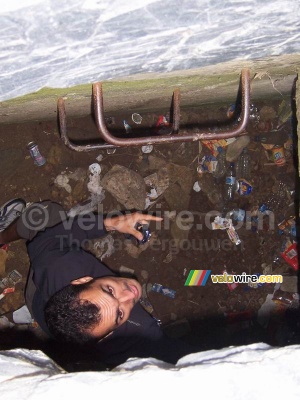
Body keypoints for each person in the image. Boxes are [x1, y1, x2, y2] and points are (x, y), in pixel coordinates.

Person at [0, 198, 200, 368]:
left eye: (109, 290)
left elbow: (42, 243)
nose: (131, 294)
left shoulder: (61, 266)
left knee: (45, 213)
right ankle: (33, 314)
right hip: (48, 320)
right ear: (106, 336)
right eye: (119, 314)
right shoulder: (142, 334)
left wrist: (109, 223)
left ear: (82, 280)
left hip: (38, 295)